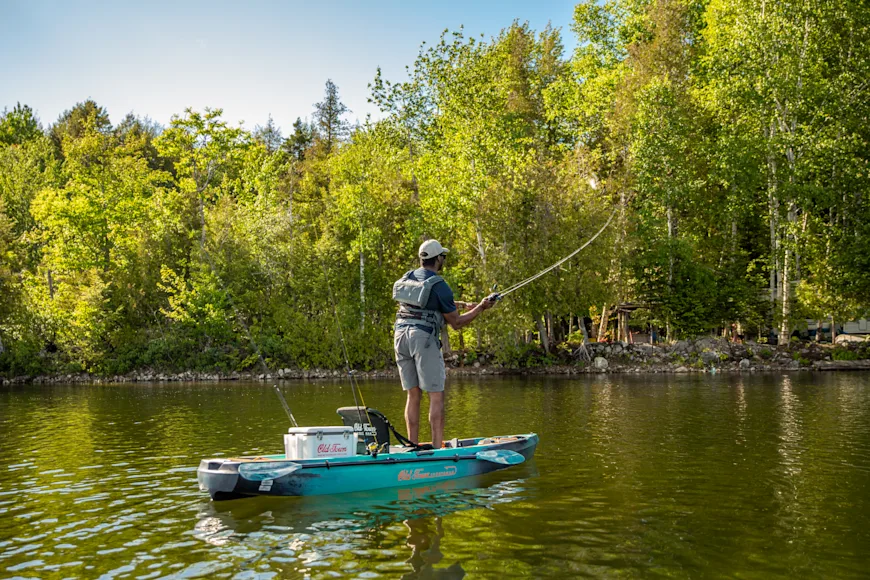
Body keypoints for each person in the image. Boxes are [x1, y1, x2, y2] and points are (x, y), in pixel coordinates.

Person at [393, 239, 496, 448]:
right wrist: (481, 308)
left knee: (413, 394)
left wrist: (461, 304)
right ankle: (437, 449)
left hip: (400, 336)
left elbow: (427, 303)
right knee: (436, 395)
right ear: (438, 258)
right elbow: (456, 323)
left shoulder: (408, 277)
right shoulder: (440, 285)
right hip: (422, 339)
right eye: (443, 257)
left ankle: (412, 447)